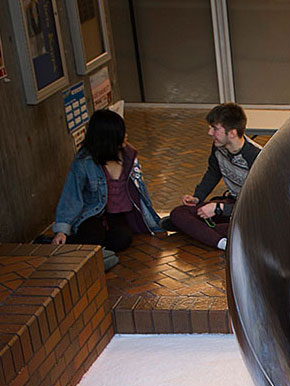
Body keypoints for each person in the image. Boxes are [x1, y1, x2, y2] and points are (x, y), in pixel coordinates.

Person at [52, 109, 162, 269]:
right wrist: (62, 230)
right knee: (93, 235)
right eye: (121, 133)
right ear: (108, 138)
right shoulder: (84, 162)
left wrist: (152, 221)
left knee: (122, 239)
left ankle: (95, 253)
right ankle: (83, 250)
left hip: (118, 214)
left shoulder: (129, 155)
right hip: (93, 213)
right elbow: (71, 197)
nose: (126, 136)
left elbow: (141, 191)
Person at [166, 103, 261, 251]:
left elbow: (258, 204)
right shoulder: (219, 147)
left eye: (215, 128)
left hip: (250, 212)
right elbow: (213, 172)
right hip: (231, 204)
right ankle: (219, 239)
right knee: (178, 213)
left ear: (232, 133)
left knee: (241, 229)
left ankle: (206, 233)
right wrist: (198, 197)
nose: (210, 132)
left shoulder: (256, 157)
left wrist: (220, 209)